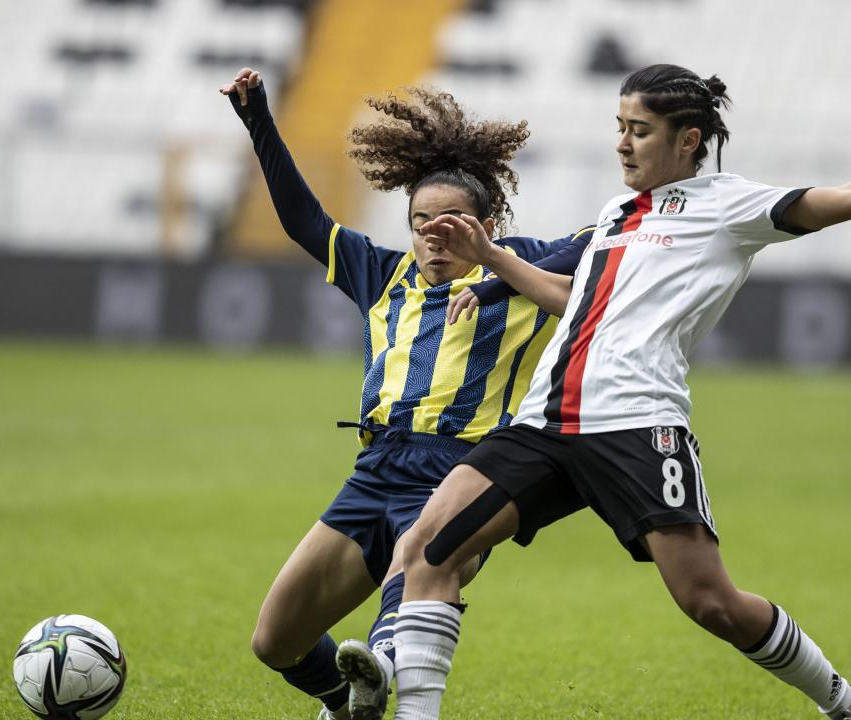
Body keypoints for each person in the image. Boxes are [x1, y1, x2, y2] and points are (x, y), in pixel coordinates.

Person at [363, 63, 851, 720]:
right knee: (428, 548)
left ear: (687, 140)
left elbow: (849, 197)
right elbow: (580, 301)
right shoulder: (617, 212)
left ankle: (848, 704)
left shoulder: (728, 206)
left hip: (634, 426)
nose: (622, 143)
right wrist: (493, 260)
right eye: (620, 127)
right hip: (546, 422)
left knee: (710, 602)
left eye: (639, 130)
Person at [219, 68, 595, 720]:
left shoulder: (524, 269)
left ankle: (385, 664)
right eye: (422, 222)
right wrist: (259, 122)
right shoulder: (382, 273)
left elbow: (604, 243)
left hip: (464, 473)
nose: (434, 236)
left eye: (452, 223)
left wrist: (497, 263)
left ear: (487, 224)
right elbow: (304, 220)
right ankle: (348, 702)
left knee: (410, 590)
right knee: (275, 640)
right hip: (375, 470)